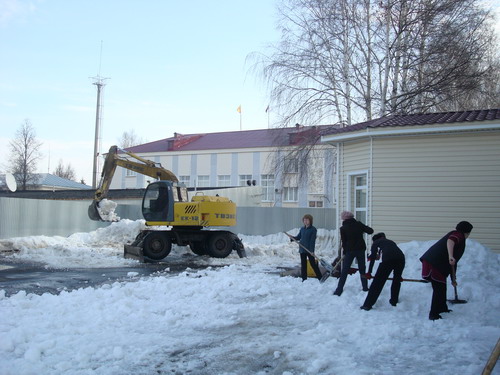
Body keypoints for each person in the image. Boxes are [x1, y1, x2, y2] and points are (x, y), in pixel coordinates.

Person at [419, 221, 473, 321]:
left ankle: (442, 308)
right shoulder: (458, 234)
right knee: (438, 288)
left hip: (434, 263)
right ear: (467, 232)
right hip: (434, 263)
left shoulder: (458, 237)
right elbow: (451, 241)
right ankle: (433, 314)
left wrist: (453, 278)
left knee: (442, 287)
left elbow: (454, 263)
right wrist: (450, 256)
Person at [360, 233, 405, 310]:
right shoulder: (390, 241)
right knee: (396, 280)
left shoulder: (376, 242)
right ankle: (394, 301)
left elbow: (373, 258)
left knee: (378, 282)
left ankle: (367, 305)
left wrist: (369, 272)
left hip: (388, 260)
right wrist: (399, 274)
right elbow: (394, 252)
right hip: (401, 259)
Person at [333, 211, 374, 296]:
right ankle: (365, 287)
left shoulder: (343, 228)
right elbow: (370, 231)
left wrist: (344, 252)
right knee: (362, 269)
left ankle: (339, 290)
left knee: (344, 270)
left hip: (350, 251)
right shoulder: (358, 224)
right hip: (360, 250)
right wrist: (361, 231)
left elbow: (344, 242)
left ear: (344, 218)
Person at [291, 214, 322, 281]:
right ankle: (304, 278)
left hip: (309, 250)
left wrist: (312, 251)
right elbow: (299, 237)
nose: (305, 221)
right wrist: (293, 238)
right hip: (302, 249)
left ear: (310, 221)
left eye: (307, 220)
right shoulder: (302, 229)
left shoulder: (313, 229)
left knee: (313, 264)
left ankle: (320, 277)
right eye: (304, 220)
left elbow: (312, 241)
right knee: (303, 264)